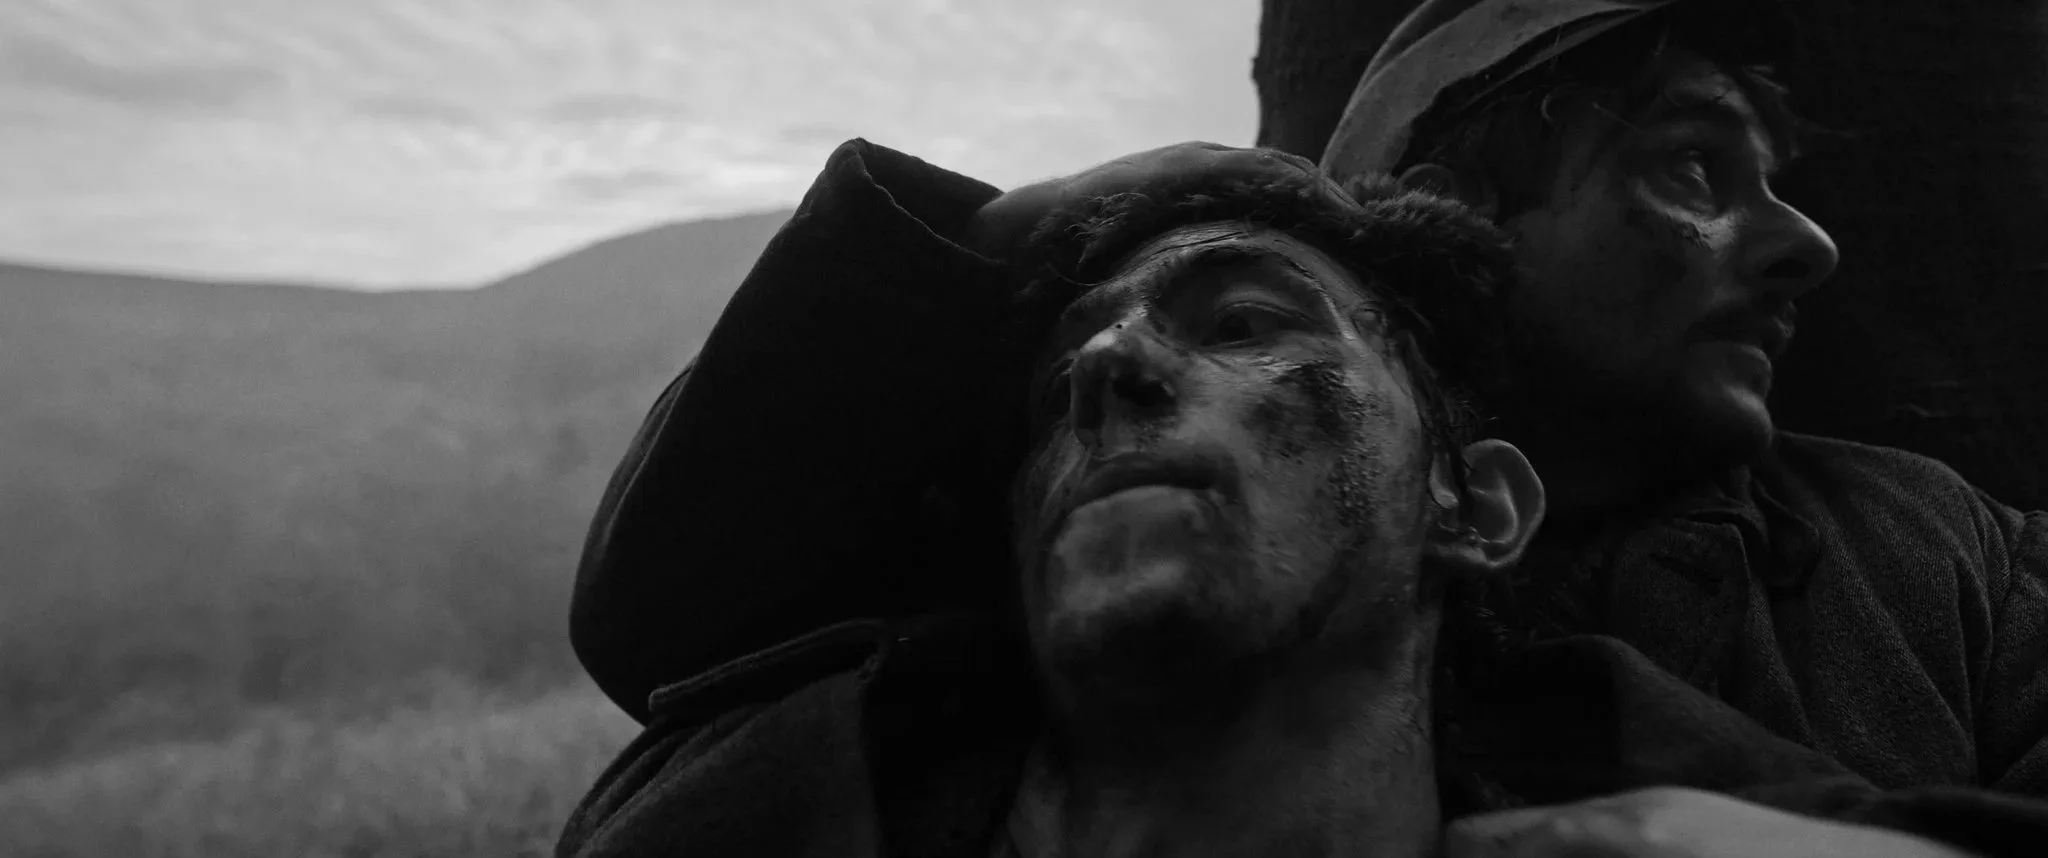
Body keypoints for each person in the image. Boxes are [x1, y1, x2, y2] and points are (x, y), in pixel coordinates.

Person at [556, 140, 2033, 858]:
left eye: (1248, 319)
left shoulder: (1688, 789)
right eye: (1061, 374)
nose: (1112, 366)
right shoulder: (781, 788)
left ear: (1476, 509)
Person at [1310, 0, 2048, 843]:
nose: (1809, 244)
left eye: (1772, 185)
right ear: (1445, 223)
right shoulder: (1267, 565)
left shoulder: (1956, 552)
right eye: (1694, 164)